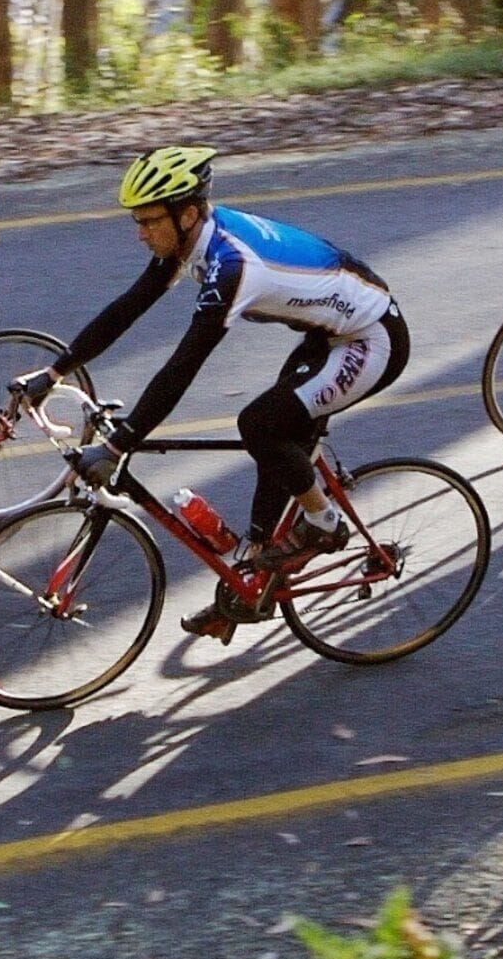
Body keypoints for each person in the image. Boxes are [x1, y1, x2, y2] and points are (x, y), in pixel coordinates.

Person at [24, 146, 410, 641]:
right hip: (327, 334)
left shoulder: (231, 266)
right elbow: (128, 308)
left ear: (186, 214)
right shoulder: (191, 241)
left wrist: (120, 444)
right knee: (275, 439)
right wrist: (55, 371)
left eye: (149, 221)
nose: (140, 233)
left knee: (261, 425)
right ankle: (253, 585)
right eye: (137, 221)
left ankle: (324, 521)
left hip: (370, 339)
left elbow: (184, 364)